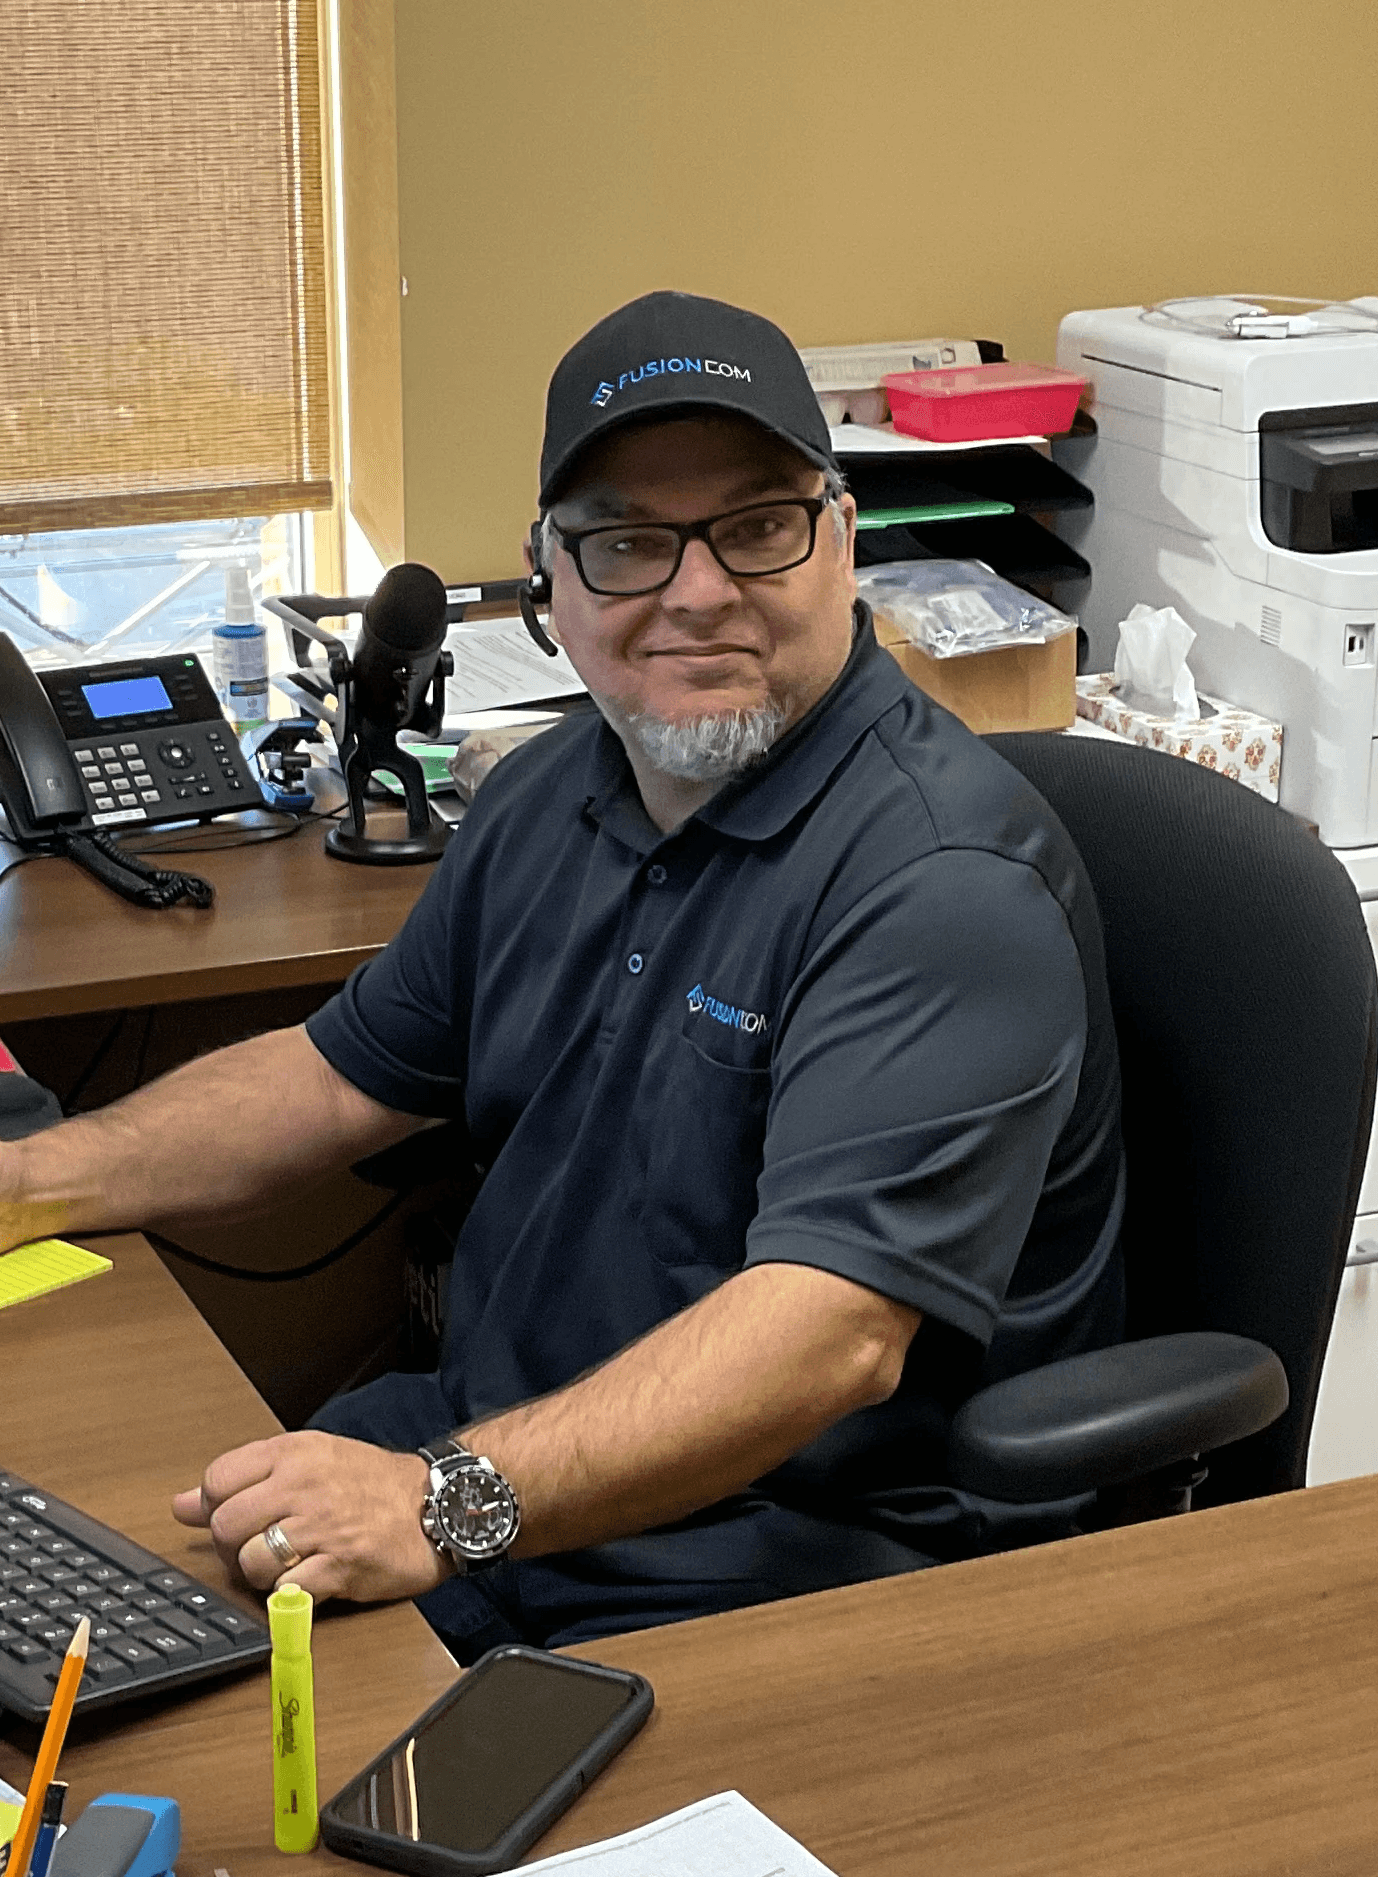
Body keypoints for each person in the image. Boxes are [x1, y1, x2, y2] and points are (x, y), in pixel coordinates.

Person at [0, 292, 1124, 1661]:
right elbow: (334, 1076)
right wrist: (35, 1181)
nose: (696, 592)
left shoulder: (938, 885)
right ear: (548, 580)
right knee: (92, 1620)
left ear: (840, 541)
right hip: (494, 1472)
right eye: (628, 544)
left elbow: (829, 1338)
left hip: (780, 1558)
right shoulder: (549, 792)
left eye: (757, 528)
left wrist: (442, 1501)